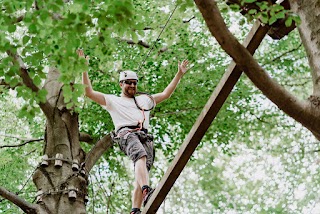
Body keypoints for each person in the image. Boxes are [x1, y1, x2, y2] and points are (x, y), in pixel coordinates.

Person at [77, 49, 189, 214]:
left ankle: (135, 210)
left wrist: (179, 74)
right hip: (126, 134)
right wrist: (83, 69)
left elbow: (165, 94)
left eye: (134, 83)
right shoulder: (112, 101)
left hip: (146, 137)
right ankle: (146, 190)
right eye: (128, 82)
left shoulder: (144, 100)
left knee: (141, 169)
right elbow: (89, 92)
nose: (132, 86)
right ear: (121, 84)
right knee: (140, 157)